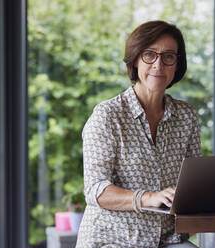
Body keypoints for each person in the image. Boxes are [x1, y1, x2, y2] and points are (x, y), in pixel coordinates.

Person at [76, 20, 201, 247]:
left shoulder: (187, 116)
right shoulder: (107, 116)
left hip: (168, 240)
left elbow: (193, 182)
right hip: (113, 240)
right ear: (135, 59)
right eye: (149, 55)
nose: (158, 65)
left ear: (177, 64)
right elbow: (96, 190)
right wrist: (148, 197)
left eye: (168, 56)